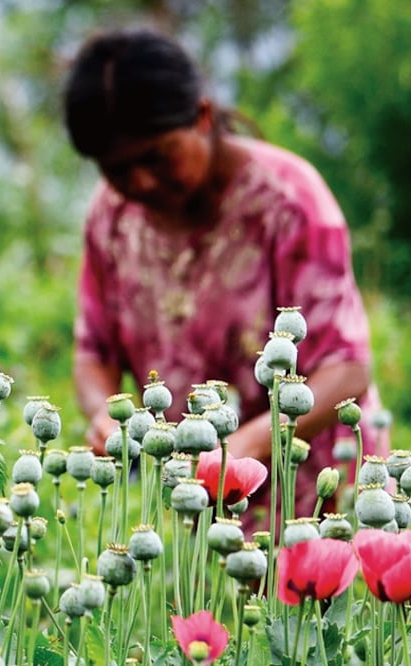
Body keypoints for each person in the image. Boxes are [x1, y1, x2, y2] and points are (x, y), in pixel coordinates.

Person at [63, 28, 383, 522]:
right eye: (117, 169)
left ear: (203, 116)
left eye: (157, 156)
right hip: (193, 503)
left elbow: (348, 367)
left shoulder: (289, 202)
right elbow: (93, 355)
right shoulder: (111, 219)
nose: (141, 182)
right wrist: (107, 414)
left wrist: (249, 445)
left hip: (316, 495)